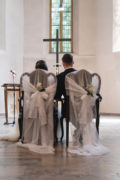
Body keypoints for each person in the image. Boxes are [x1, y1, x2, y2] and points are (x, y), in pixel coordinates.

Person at [54, 53, 76, 143]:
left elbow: (57, 96)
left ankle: (59, 136)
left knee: (57, 111)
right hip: (81, 108)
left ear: (62, 63)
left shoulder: (59, 77)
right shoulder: (81, 74)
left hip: (67, 109)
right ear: (73, 62)